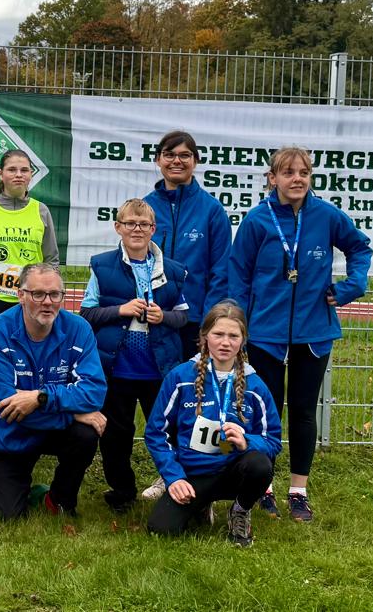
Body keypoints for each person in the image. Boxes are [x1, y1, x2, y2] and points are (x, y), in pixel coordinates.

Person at [211, 145, 372, 522]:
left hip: (314, 331)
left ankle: (298, 490)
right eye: (288, 173)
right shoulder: (257, 221)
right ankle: (262, 485)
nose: (296, 179)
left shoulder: (327, 215)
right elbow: (239, 275)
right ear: (273, 178)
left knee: (302, 410)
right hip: (265, 334)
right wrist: (239, 326)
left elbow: (359, 247)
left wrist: (352, 286)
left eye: (303, 172)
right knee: (265, 411)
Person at [79, 198, 190, 512]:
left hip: (160, 369)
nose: (137, 229)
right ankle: (122, 490)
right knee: (117, 434)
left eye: (143, 224)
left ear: (153, 229)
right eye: (130, 223)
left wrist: (163, 317)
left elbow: (184, 316)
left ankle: (172, 482)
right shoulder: (101, 265)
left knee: (168, 429)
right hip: (117, 368)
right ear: (118, 227)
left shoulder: (173, 270)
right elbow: (86, 313)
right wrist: (120, 310)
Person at [139, 129, 231, 501]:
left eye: (185, 155)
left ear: (195, 161)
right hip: (154, 322)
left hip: (194, 324)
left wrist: (208, 325)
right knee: (164, 398)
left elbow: (221, 270)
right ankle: (168, 473)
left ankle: (201, 472)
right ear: (158, 160)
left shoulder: (211, 210)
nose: (177, 160)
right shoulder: (145, 206)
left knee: (197, 398)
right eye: (169, 154)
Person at [144, 302, 281, 546]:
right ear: (205, 336)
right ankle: (199, 504)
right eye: (218, 334)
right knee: (161, 529)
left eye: (233, 336)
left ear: (243, 340)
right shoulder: (180, 378)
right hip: (192, 473)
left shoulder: (256, 386)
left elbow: (272, 441)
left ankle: (240, 510)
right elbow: (156, 433)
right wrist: (174, 478)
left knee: (260, 464)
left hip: (233, 471)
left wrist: (247, 441)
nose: (225, 342)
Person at [0, 263, 106, 518]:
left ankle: (58, 500)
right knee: (6, 517)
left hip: (53, 429)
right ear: (21, 295)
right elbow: (7, 405)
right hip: (9, 433)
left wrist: (40, 397)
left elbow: (95, 391)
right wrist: (73, 413)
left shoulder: (78, 328)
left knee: (86, 432)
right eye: (38, 294)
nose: (47, 302)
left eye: (54, 294)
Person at [0, 150, 58, 328]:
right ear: (1, 174)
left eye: (24, 170)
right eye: (12, 170)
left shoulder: (41, 211)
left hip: (32, 299)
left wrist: (45, 295)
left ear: (31, 174)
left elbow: (51, 259)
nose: (18, 175)